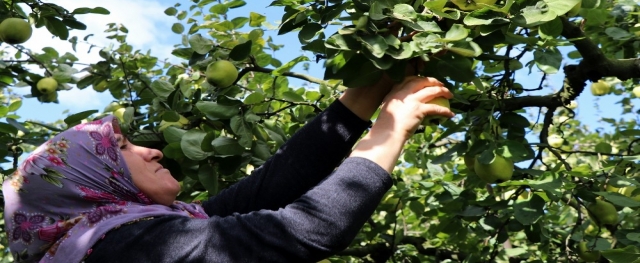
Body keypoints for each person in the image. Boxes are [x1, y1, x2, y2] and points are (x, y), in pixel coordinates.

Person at [3, 76, 454, 263]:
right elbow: (307, 230)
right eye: (121, 147)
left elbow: (274, 184)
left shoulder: (140, 234)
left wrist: (367, 85)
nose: (152, 151)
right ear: (94, 180)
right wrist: (390, 128)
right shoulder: (127, 249)